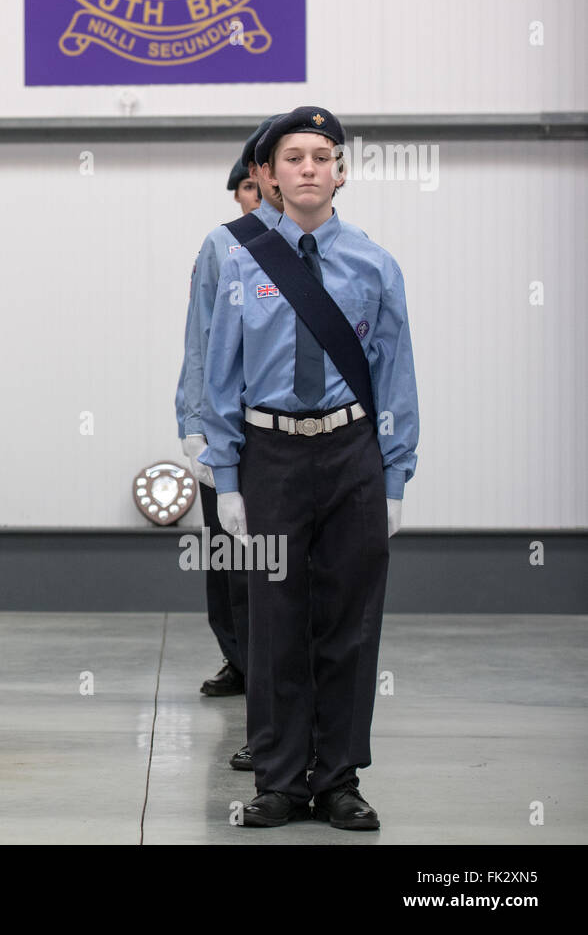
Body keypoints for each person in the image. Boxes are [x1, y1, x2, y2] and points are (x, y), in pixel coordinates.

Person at [200, 106, 419, 830]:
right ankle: (281, 780)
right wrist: (225, 478)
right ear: (267, 174)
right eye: (292, 157)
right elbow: (219, 377)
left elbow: (395, 377)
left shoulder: (374, 263)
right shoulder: (240, 263)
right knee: (273, 621)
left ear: (341, 171)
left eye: (321, 156)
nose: (307, 169)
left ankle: (340, 778)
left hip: (352, 450)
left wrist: (393, 477)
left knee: (350, 620)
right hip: (271, 456)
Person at [176, 118, 281, 747]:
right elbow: (200, 341)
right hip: (230, 427)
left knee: (276, 567)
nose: (253, 194)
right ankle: (239, 657)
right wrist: (194, 425)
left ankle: (273, 683)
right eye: (243, 186)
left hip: (291, 433)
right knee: (230, 556)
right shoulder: (223, 246)